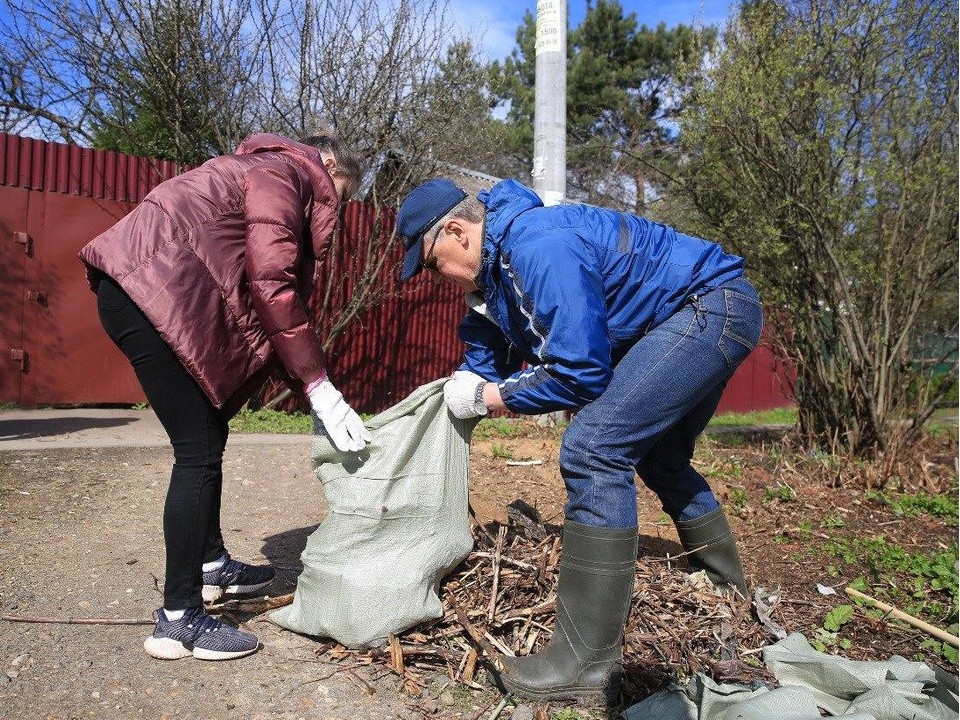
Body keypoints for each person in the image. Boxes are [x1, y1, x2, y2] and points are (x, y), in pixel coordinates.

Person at [395, 178, 763, 702]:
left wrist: (490, 398)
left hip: (707, 308)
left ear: (456, 231)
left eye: (433, 264)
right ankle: (725, 587)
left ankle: (587, 662)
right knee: (661, 457)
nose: (439, 279)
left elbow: (578, 372)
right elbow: (487, 348)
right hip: (705, 308)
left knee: (594, 447)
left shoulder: (537, 246)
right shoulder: (497, 272)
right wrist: (465, 386)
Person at [79, 133, 372, 662]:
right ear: (327, 165)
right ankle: (178, 621)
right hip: (146, 296)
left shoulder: (260, 172)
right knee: (198, 451)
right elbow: (273, 283)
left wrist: (313, 388)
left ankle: (211, 564)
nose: (336, 209)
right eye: (341, 194)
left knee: (210, 430)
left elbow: (259, 301)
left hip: (142, 293)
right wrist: (318, 384)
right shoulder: (288, 175)